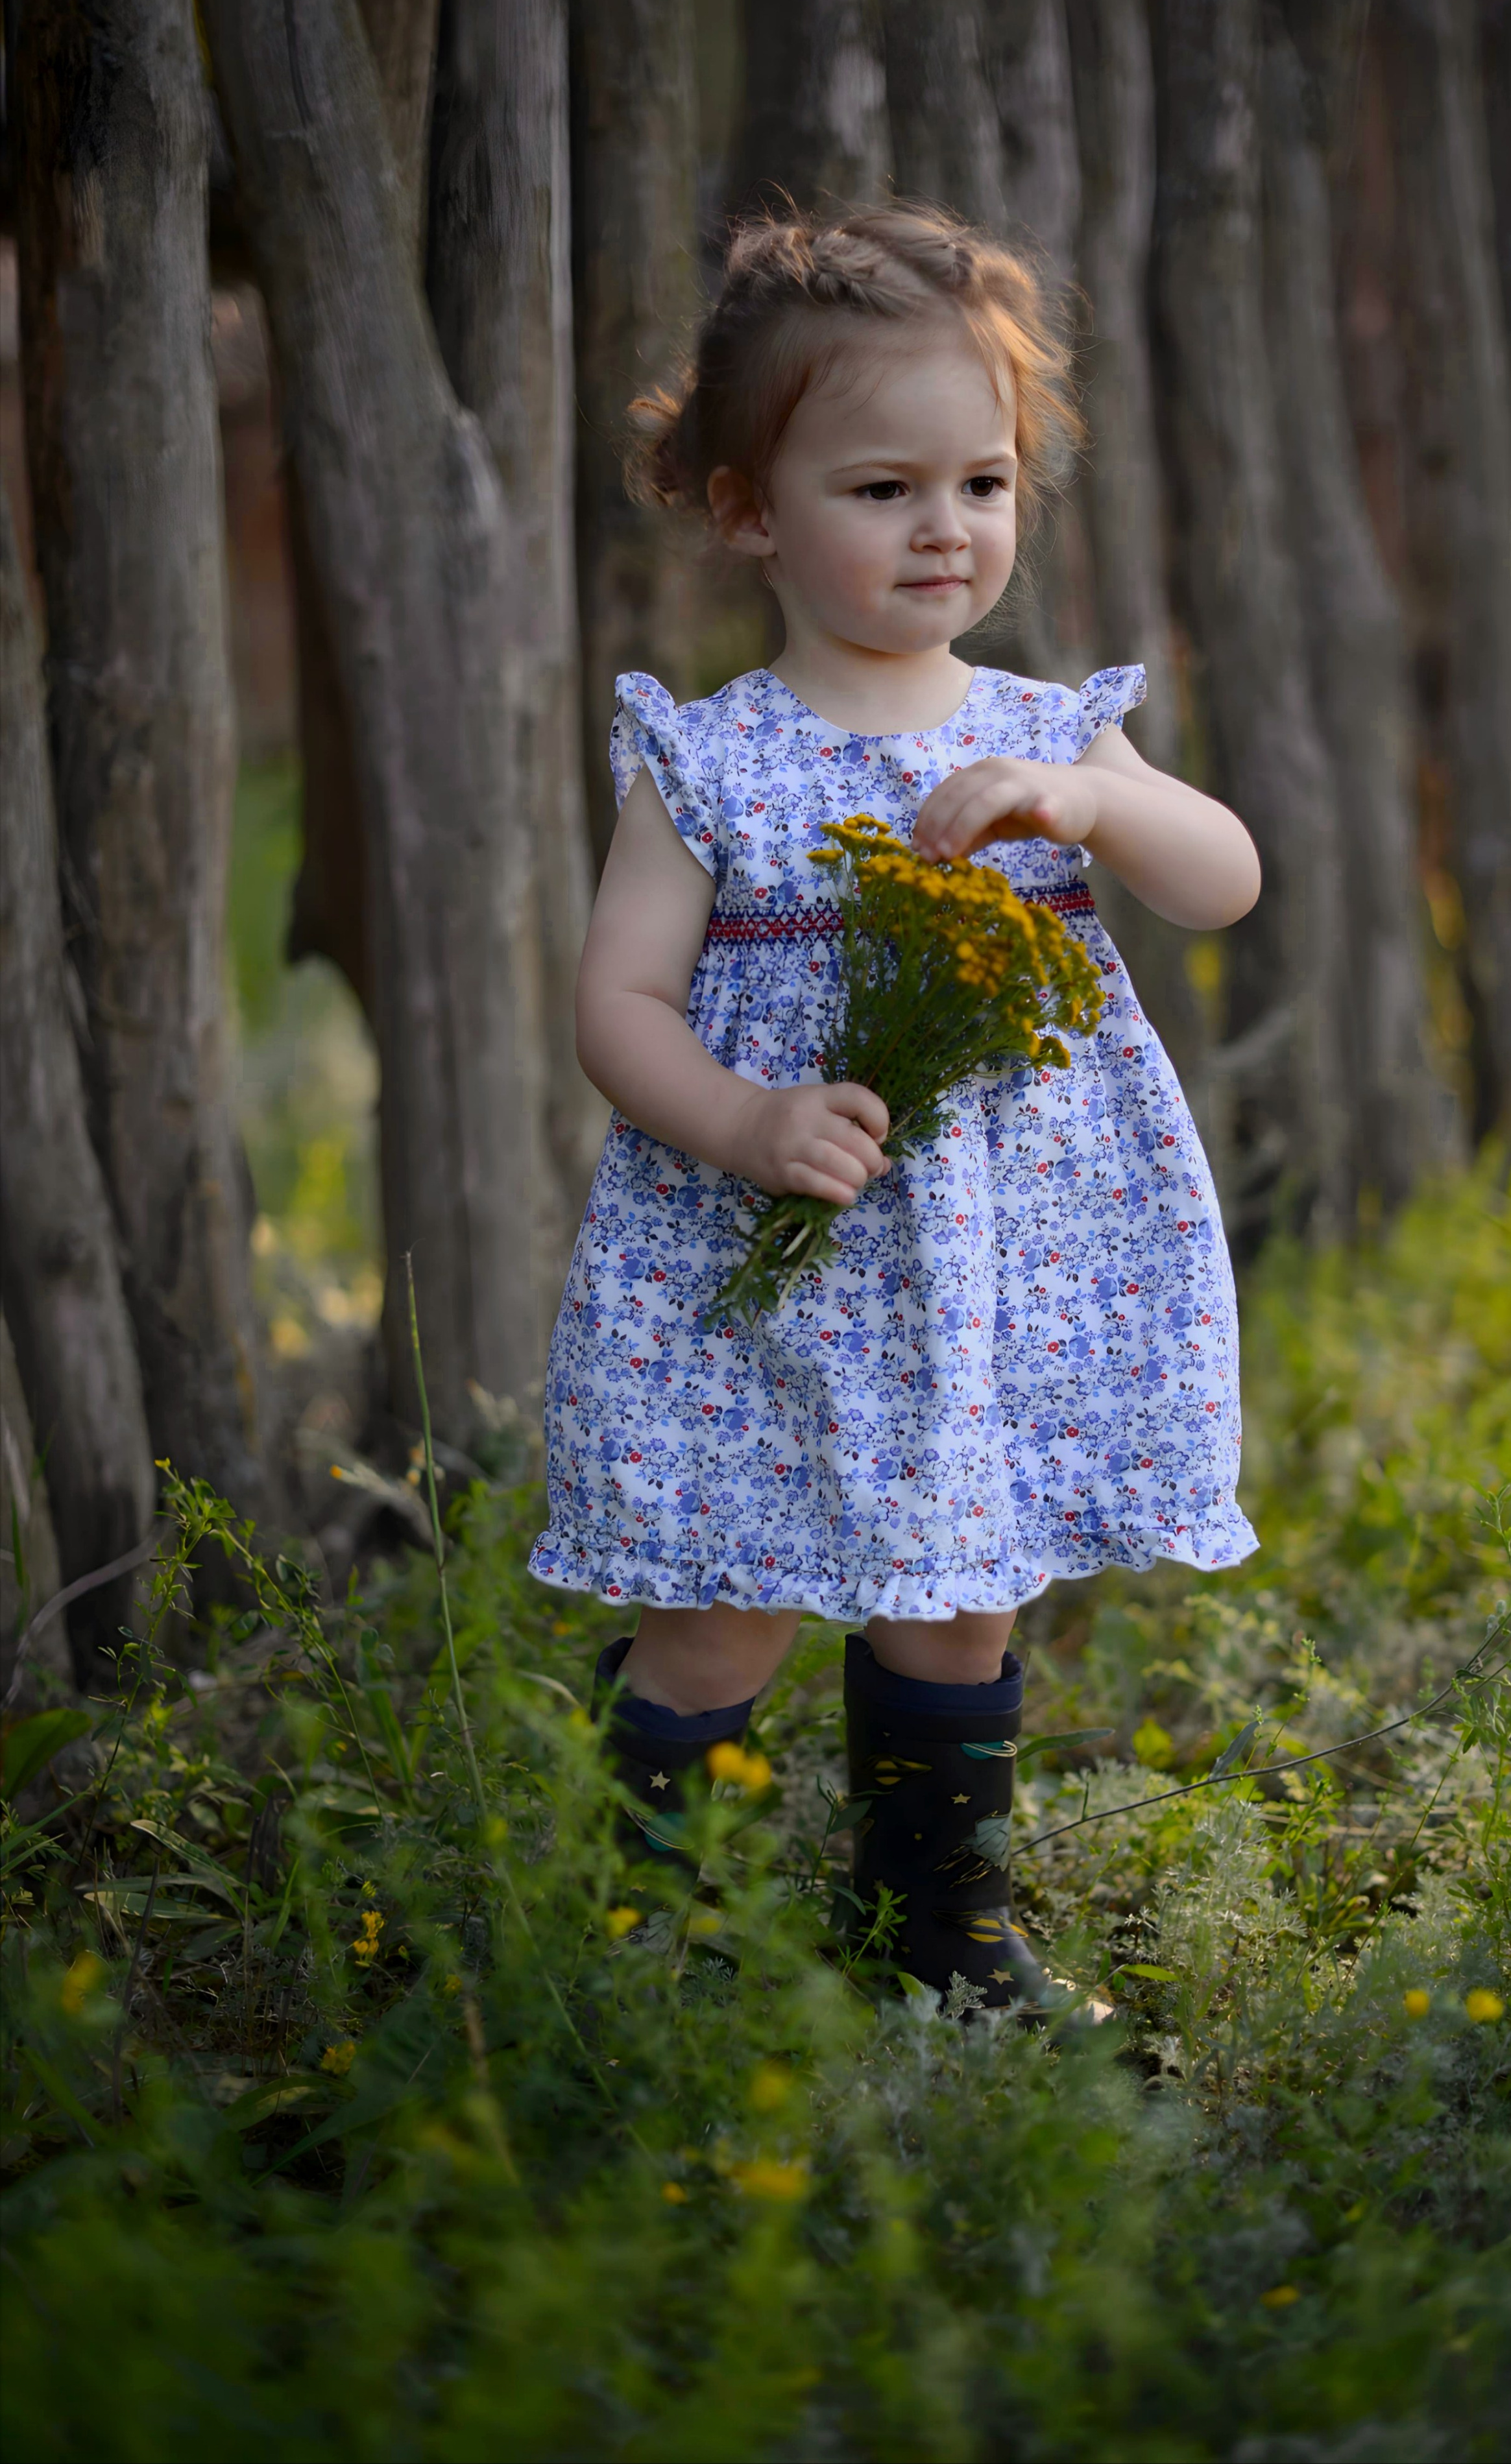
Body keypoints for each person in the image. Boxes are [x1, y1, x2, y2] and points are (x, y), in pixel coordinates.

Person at [529, 204, 1261, 2009]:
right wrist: (748, 1124)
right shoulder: (713, 760)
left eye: (983, 482)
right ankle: (656, 1940)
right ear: (747, 509)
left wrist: (1091, 808)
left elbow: (1227, 877)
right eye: (881, 489)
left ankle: (942, 1939)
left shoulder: (1052, 731)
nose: (946, 526)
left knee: (962, 1593)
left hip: (996, 1276)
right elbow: (615, 1006)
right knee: (725, 1603)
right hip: (766, 1268)